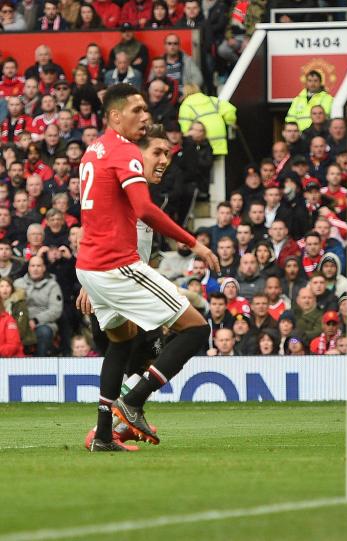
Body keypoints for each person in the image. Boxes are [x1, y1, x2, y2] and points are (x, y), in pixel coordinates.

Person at [73, 84, 218, 452]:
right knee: (196, 329)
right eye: (136, 111)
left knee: (121, 343)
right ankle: (133, 402)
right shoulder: (124, 154)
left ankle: (104, 434)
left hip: (91, 267)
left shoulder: (93, 150)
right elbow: (145, 211)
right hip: (115, 267)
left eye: (145, 111)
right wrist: (193, 243)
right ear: (116, 116)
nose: (143, 116)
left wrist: (91, 280)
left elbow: (98, 215)